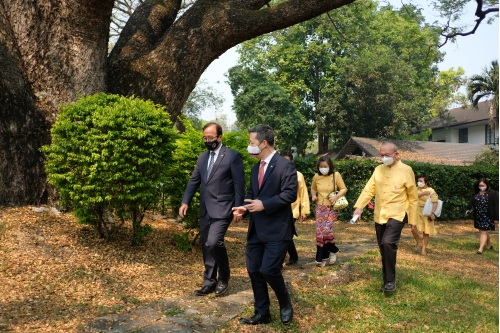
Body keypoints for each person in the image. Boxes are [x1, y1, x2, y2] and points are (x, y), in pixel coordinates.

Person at [232, 125, 297, 326]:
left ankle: (285, 303)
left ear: (264, 143)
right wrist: (245, 207)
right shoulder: (255, 167)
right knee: (253, 269)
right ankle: (262, 313)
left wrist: (264, 204)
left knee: (269, 269)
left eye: (252, 143)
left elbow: (289, 194)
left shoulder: (284, 166)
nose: (249, 147)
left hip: (277, 228)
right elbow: (253, 195)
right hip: (256, 229)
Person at [179, 122, 245, 297]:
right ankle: (209, 281)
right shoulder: (202, 158)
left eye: (211, 138)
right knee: (206, 246)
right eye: (205, 138)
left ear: (220, 137)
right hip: (205, 208)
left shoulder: (232, 156)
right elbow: (194, 181)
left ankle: (224, 276)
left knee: (214, 242)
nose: (208, 141)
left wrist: (239, 208)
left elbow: (239, 185)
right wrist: (185, 201)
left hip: (224, 208)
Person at [351, 142, 418, 293]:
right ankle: (387, 279)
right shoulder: (378, 170)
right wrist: (359, 207)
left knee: (388, 243)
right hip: (380, 214)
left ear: (396, 154)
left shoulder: (406, 170)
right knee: (383, 247)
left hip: (398, 213)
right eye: (381, 155)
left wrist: (413, 220)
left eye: (386, 155)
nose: (383, 158)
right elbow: (369, 190)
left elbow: (413, 198)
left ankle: (390, 281)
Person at [310, 156, 347, 267]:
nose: (323, 168)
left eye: (325, 166)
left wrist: (336, 196)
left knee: (326, 231)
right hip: (320, 208)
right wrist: (313, 196)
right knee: (319, 233)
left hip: (332, 208)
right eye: (321, 167)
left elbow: (344, 189)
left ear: (330, 166)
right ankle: (323, 258)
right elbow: (313, 188)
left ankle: (333, 250)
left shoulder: (336, 175)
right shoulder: (316, 176)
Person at [281, 151, 310, 266]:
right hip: (280, 209)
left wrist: (305, 210)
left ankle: (279, 261)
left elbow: (303, 194)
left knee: (284, 234)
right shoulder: (277, 173)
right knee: (285, 235)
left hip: (293, 211)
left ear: (292, 162)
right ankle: (293, 256)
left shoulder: (298, 175)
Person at [465, 177, 499, 254]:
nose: (481, 187)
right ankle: (489, 245)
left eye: (483, 185)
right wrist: (468, 209)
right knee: (482, 231)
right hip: (478, 215)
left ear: (486, 185)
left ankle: (480, 248)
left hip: (488, 215)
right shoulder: (475, 193)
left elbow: (496, 206)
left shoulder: (492, 193)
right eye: (480, 185)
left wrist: (497, 218)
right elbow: (471, 202)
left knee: (483, 231)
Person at [410, 175, 438, 255]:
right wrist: (423, 193)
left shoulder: (431, 190)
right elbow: (412, 196)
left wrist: (432, 213)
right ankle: (418, 242)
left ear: (426, 182)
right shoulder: (416, 189)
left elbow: (435, 202)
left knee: (426, 232)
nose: (419, 183)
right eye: (418, 181)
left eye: (421, 181)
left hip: (427, 212)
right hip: (416, 211)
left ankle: (423, 249)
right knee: (413, 227)